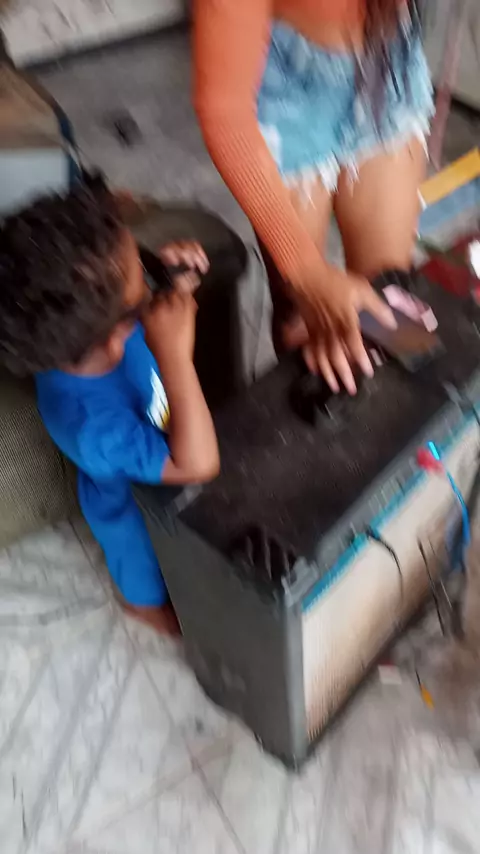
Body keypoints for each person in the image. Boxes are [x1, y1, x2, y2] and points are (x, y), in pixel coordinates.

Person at [0, 176, 220, 634]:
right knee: (143, 577)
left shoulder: (80, 332)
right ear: (117, 334)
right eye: (144, 277)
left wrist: (170, 281)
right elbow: (197, 464)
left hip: (158, 435)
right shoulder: (91, 427)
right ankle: (144, 609)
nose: (149, 269)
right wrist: (176, 357)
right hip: (130, 507)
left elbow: (111, 294)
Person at [193, 0, 434, 394]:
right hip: (284, 84)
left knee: (389, 296)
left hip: (385, 59)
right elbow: (225, 112)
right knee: (304, 317)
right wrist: (305, 272)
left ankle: (415, 419)